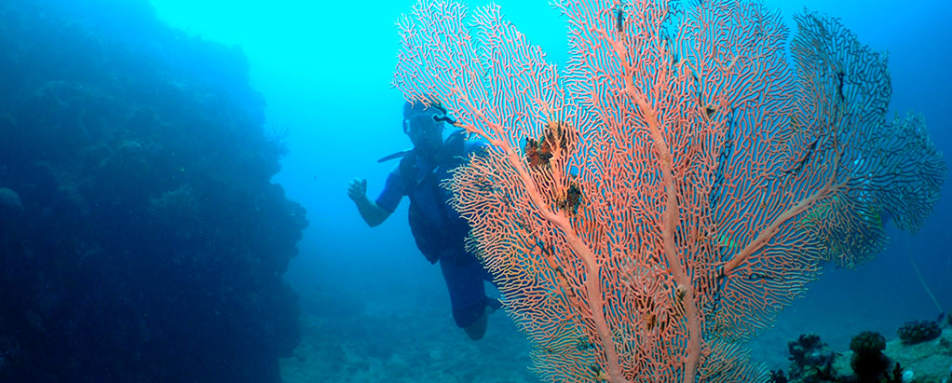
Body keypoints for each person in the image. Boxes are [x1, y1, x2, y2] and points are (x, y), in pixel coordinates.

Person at [347, 101, 499, 340]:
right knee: (474, 331)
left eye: (427, 123)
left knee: (535, 299)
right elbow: (375, 218)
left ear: (442, 124)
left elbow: (518, 182)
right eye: (413, 126)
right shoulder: (405, 172)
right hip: (454, 256)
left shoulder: (474, 152)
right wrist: (360, 199)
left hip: (493, 246)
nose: (420, 133)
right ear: (405, 129)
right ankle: (488, 305)